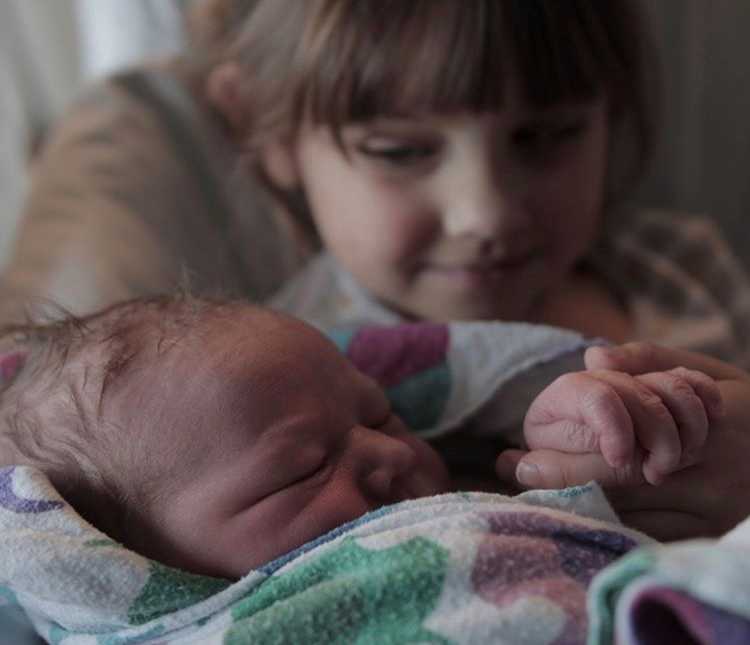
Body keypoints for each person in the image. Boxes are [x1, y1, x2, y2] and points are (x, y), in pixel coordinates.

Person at [1, 0, 750, 541]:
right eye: (401, 151)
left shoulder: (678, 265)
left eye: (545, 136)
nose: (484, 213)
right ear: (274, 133)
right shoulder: (274, 382)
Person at [0, 294, 724, 579]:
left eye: (379, 414)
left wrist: (605, 437)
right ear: (130, 559)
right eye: (302, 469)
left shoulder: (471, 509)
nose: (385, 452)